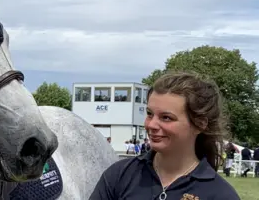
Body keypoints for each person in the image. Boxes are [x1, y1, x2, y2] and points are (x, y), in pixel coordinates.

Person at [88, 72, 240, 199]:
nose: (151, 125)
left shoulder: (220, 194)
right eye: (149, 114)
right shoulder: (119, 176)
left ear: (200, 124)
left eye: (166, 117)